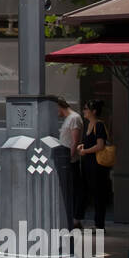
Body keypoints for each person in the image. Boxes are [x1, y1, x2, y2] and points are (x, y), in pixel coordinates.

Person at [76, 99, 110, 231]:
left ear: (93, 111)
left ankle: (99, 225)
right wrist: (83, 146)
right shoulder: (88, 124)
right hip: (87, 164)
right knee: (86, 191)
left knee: (98, 194)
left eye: (86, 109)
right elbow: (91, 143)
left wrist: (85, 151)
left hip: (97, 165)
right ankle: (80, 220)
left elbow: (100, 145)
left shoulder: (99, 125)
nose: (84, 111)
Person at [57, 97, 84, 227]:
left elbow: (75, 141)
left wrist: (69, 157)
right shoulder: (68, 119)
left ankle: (76, 218)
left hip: (70, 160)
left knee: (74, 189)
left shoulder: (74, 118)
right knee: (69, 188)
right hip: (66, 159)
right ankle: (72, 216)